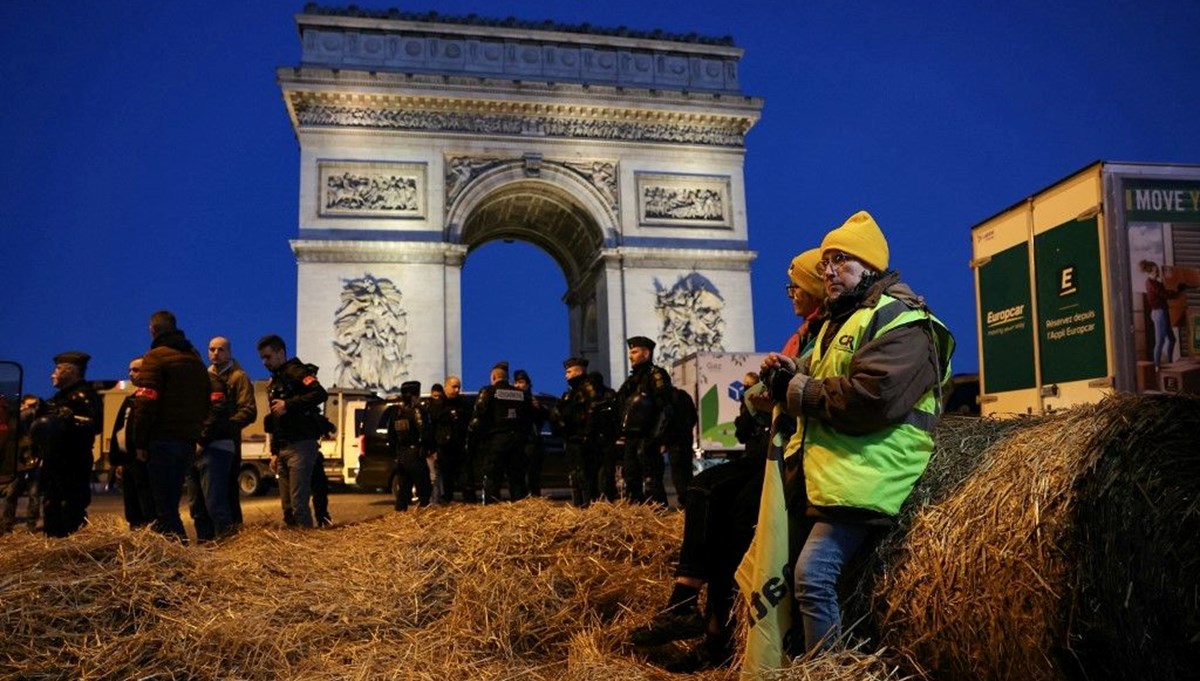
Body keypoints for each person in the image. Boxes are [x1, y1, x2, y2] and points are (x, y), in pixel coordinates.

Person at [756, 210, 954, 655]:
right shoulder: (840, 320)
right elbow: (822, 375)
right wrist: (789, 371)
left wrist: (799, 390)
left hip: (872, 468)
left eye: (840, 260)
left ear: (871, 266)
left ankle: (830, 669)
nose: (827, 270)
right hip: (836, 467)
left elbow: (872, 398)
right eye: (826, 261)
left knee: (813, 576)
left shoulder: (905, 321)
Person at [629, 247, 826, 672]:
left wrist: (765, 390)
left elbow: (771, 394)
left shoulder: (823, 333)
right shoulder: (805, 335)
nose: (790, 293)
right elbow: (761, 397)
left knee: (714, 502)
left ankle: (693, 610)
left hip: (795, 453)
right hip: (772, 448)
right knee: (715, 511)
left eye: (797, 285)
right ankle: (702, 620)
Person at [132, 311, 210, 542]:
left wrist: (139, 441)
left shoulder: (155, 358)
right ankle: (178, 553)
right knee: (172, 503)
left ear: (153, 330)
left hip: (161, 440)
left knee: (163, 509)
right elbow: (205, 399)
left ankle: (178, 555)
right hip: (186, 441)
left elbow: (146, 403)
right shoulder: (194, 359)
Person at [258, 334, 329, 528]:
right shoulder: (275, 380)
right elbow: (275, 420)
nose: (265, 362)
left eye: (268, 356)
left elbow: (320, 393)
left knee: (299, 505)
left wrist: (288, 404)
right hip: (283, 448)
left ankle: (306, 547)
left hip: (301, 445)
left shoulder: (296, 372)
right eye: (262, 358)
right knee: (288, 508)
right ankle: (294, 550)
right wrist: (274, 452)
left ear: (281, 352)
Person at [31, 352, 103, 538]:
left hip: (73, 461)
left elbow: (95, 424)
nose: (52, 374)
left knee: (69, 507)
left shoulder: (84, 395)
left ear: (71, 371)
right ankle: (54, 542)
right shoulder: (59, 397)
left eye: (57, 369)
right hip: (55, 461)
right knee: (51, 504)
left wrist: (71, 419)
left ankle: (69, 546)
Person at [616, 336, 674, 505]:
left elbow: (665, 409)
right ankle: (637, 518)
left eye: (634, 352)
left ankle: (658, 519)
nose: (630, 356)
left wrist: (655, 438)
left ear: (646, 353)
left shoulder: (656, 375)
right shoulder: (631, 381)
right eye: (630, 352)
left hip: (648, 438)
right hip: (631, 439)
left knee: (651, 482)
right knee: (631, 479)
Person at [207, 336, 257, 528]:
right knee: (209, 495)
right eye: (212, 349)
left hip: (228, 442)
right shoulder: (206, 376)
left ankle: (233, 535)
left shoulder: (238, 377)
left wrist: (224, 427)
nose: (215, 353)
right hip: (208, 440)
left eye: (220, 349)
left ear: (229, 353)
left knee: (227, 491)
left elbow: (248, 411)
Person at [468, 361, 532, 503]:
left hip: (496, 441)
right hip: (517, 441)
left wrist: (473, 440)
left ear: (494, 376)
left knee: (492, 477)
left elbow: (478, 418)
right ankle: (520, 511)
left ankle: (491, 510)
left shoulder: (488, 392)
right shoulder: (520, 394)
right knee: (517, 478)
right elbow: (529, 418)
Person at [186, 368, 237, 542]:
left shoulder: (213, 384)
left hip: (213, 448)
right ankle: (205, 544)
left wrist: (201, 440)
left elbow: (216, 413)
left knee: (214, 503)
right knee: (196, 506)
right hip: (196, 448)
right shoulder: (191, 385)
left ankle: (226, 545)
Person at [109, 358, 155, 529]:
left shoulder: (152, 397)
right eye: (130, 370)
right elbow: (120, 430)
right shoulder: (131, 399)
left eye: (136, 370)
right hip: (128, 460)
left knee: (146, 504)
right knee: (132, 506)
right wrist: (118, 460)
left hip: (142, 459)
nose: (131, 374)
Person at [550, 357, 593, 507]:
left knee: (585, 476)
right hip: (571, 440)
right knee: (575, 477)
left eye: (569, 371)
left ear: (579, 371)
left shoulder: (589, 391)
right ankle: (578, 507)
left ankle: (587, 506)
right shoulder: (569, 394)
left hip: (584, 441)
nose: (566, 375)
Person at [0, 395, 44, 534]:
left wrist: (40, 456)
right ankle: (7, 525)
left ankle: (31, 525)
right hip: (18, 461)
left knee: (34, 494)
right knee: (11, 494)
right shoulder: (16, 419)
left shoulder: (38, 421)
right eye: (29, 406)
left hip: (34, 460)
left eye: (34, 406)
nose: (32, 410)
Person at [388, 380, 432, 511]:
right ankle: (423, 513)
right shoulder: (417, 410)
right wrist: (428, 448)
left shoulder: (396, 412)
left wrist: (396, 452)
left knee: (404, 488)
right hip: (416, 454)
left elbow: (391, 436)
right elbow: (425, 432)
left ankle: (400, 514)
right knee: (424, 487)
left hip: (402, 454)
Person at [429, 375, 472, 503]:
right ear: (446, 387)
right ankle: (447, 502)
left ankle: (469, 503)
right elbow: (432, 428)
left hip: (460, 447)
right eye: (454, 387)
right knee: (447, 481)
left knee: (466, 480)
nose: (457, 390)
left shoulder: (463, 404)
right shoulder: (437, 405)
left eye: (458, 387)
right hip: (445, 448)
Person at [1139, 259, 1186, 371]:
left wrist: (1176, 290)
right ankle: (1157, 366)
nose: (1157, 273)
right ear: (1149, 272)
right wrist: (1178, 291)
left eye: (1157, 271)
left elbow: (1165, 292)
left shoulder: (1156, 283)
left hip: (1162, 311)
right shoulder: (1151, 283)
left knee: (1172, 339)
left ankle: (1169, 362)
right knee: (1160, 340)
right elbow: (1164, 294)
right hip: (1158, 313)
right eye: (1155, 272)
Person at [584, 371, 619, 502]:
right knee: (593, 474)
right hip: (593, 441)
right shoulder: (587, 397)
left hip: (606, 438)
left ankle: (609, 498)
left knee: (607, 473)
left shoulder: (608, 396)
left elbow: (614, 415)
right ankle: (595, 500)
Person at [513, 369, 547, 497]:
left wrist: (537, 408)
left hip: (531, 443)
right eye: (516, 382)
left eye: (521, 382)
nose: (518, 385)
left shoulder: (533, 401)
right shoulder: (512, 400)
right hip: (517, 443)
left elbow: (544, 418)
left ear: (527, 384)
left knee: (532, 477)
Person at [664, 386, 698, 507]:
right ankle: (691, 497)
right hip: (687, 439)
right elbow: (694, 417)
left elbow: (666, 422)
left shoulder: (668, 400)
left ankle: (684, 499)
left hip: (675, 441)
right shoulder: (684, 396)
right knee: (687, 470)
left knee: (678, 472)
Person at [732, 372, 770, 462]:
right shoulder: (761, 395)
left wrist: (740, 431)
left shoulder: (749, 399)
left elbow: (746, 420)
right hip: (765, 441)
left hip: (754, 442)